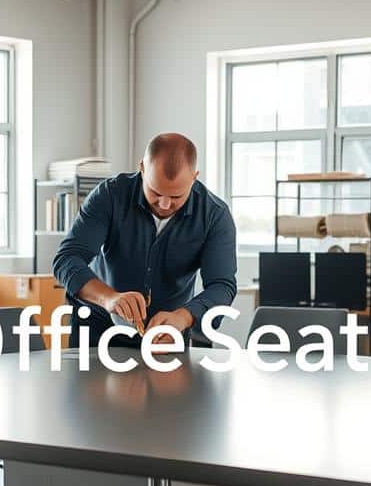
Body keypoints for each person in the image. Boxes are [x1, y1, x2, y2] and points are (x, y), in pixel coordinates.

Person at [53, 133, 237, 345]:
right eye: (155, 192)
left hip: (168, 333)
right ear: (142, 168)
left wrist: (183, 317)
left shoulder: (215, 215)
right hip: (97, 328)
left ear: (194, 177)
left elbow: (222, 285)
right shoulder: (109, 195)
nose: (164, 204)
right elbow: (67, 259)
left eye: (176, 196)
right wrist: (109, 298)